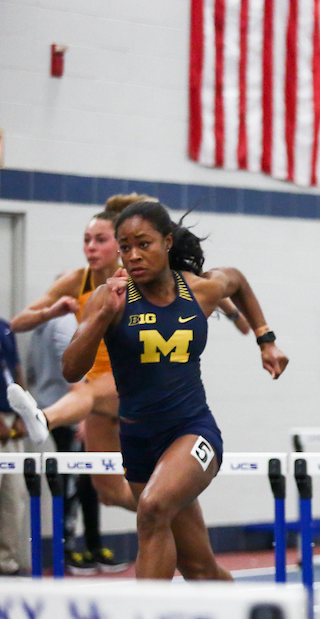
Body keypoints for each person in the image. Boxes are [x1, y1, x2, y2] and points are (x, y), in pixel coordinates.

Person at [62, 200, 287, 619]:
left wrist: (265, 339)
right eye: (125, 248)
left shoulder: (199, 291)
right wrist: (102, 319)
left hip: (194, 433)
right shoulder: (112, 298)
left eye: (143, 244)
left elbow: (238, 280)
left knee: (151, 510)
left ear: (167, 243)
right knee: (200, 568)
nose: (133, 256)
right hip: (140, 441)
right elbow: (71, 369)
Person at [8, 194, 253, 516]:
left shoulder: (141, 274)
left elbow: (197, 289)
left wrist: (235, 314)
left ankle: (46, 418)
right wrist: (50, 312)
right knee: (109, 492)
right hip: (95, 391)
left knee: (88, 392)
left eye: (100, 240)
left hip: (129, 382)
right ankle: (168, 509)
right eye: (85, 241)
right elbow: (17, 322)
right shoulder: (77, 280)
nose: (91, 248)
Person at [24, 310, 112, 573]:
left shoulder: (39, 328)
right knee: (75, 483)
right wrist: (83, 417)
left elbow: (29, 372)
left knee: (81, 481)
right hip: (67, 414)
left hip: (47, 405)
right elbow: (75, 374)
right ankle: (72, 550)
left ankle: (88, 546)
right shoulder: (65, 322)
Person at [0, 318, 30, 576]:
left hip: (11, 421)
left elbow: (16, 369)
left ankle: (5, 563)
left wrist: (24, 413)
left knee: (14, 494)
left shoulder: (5, 326)